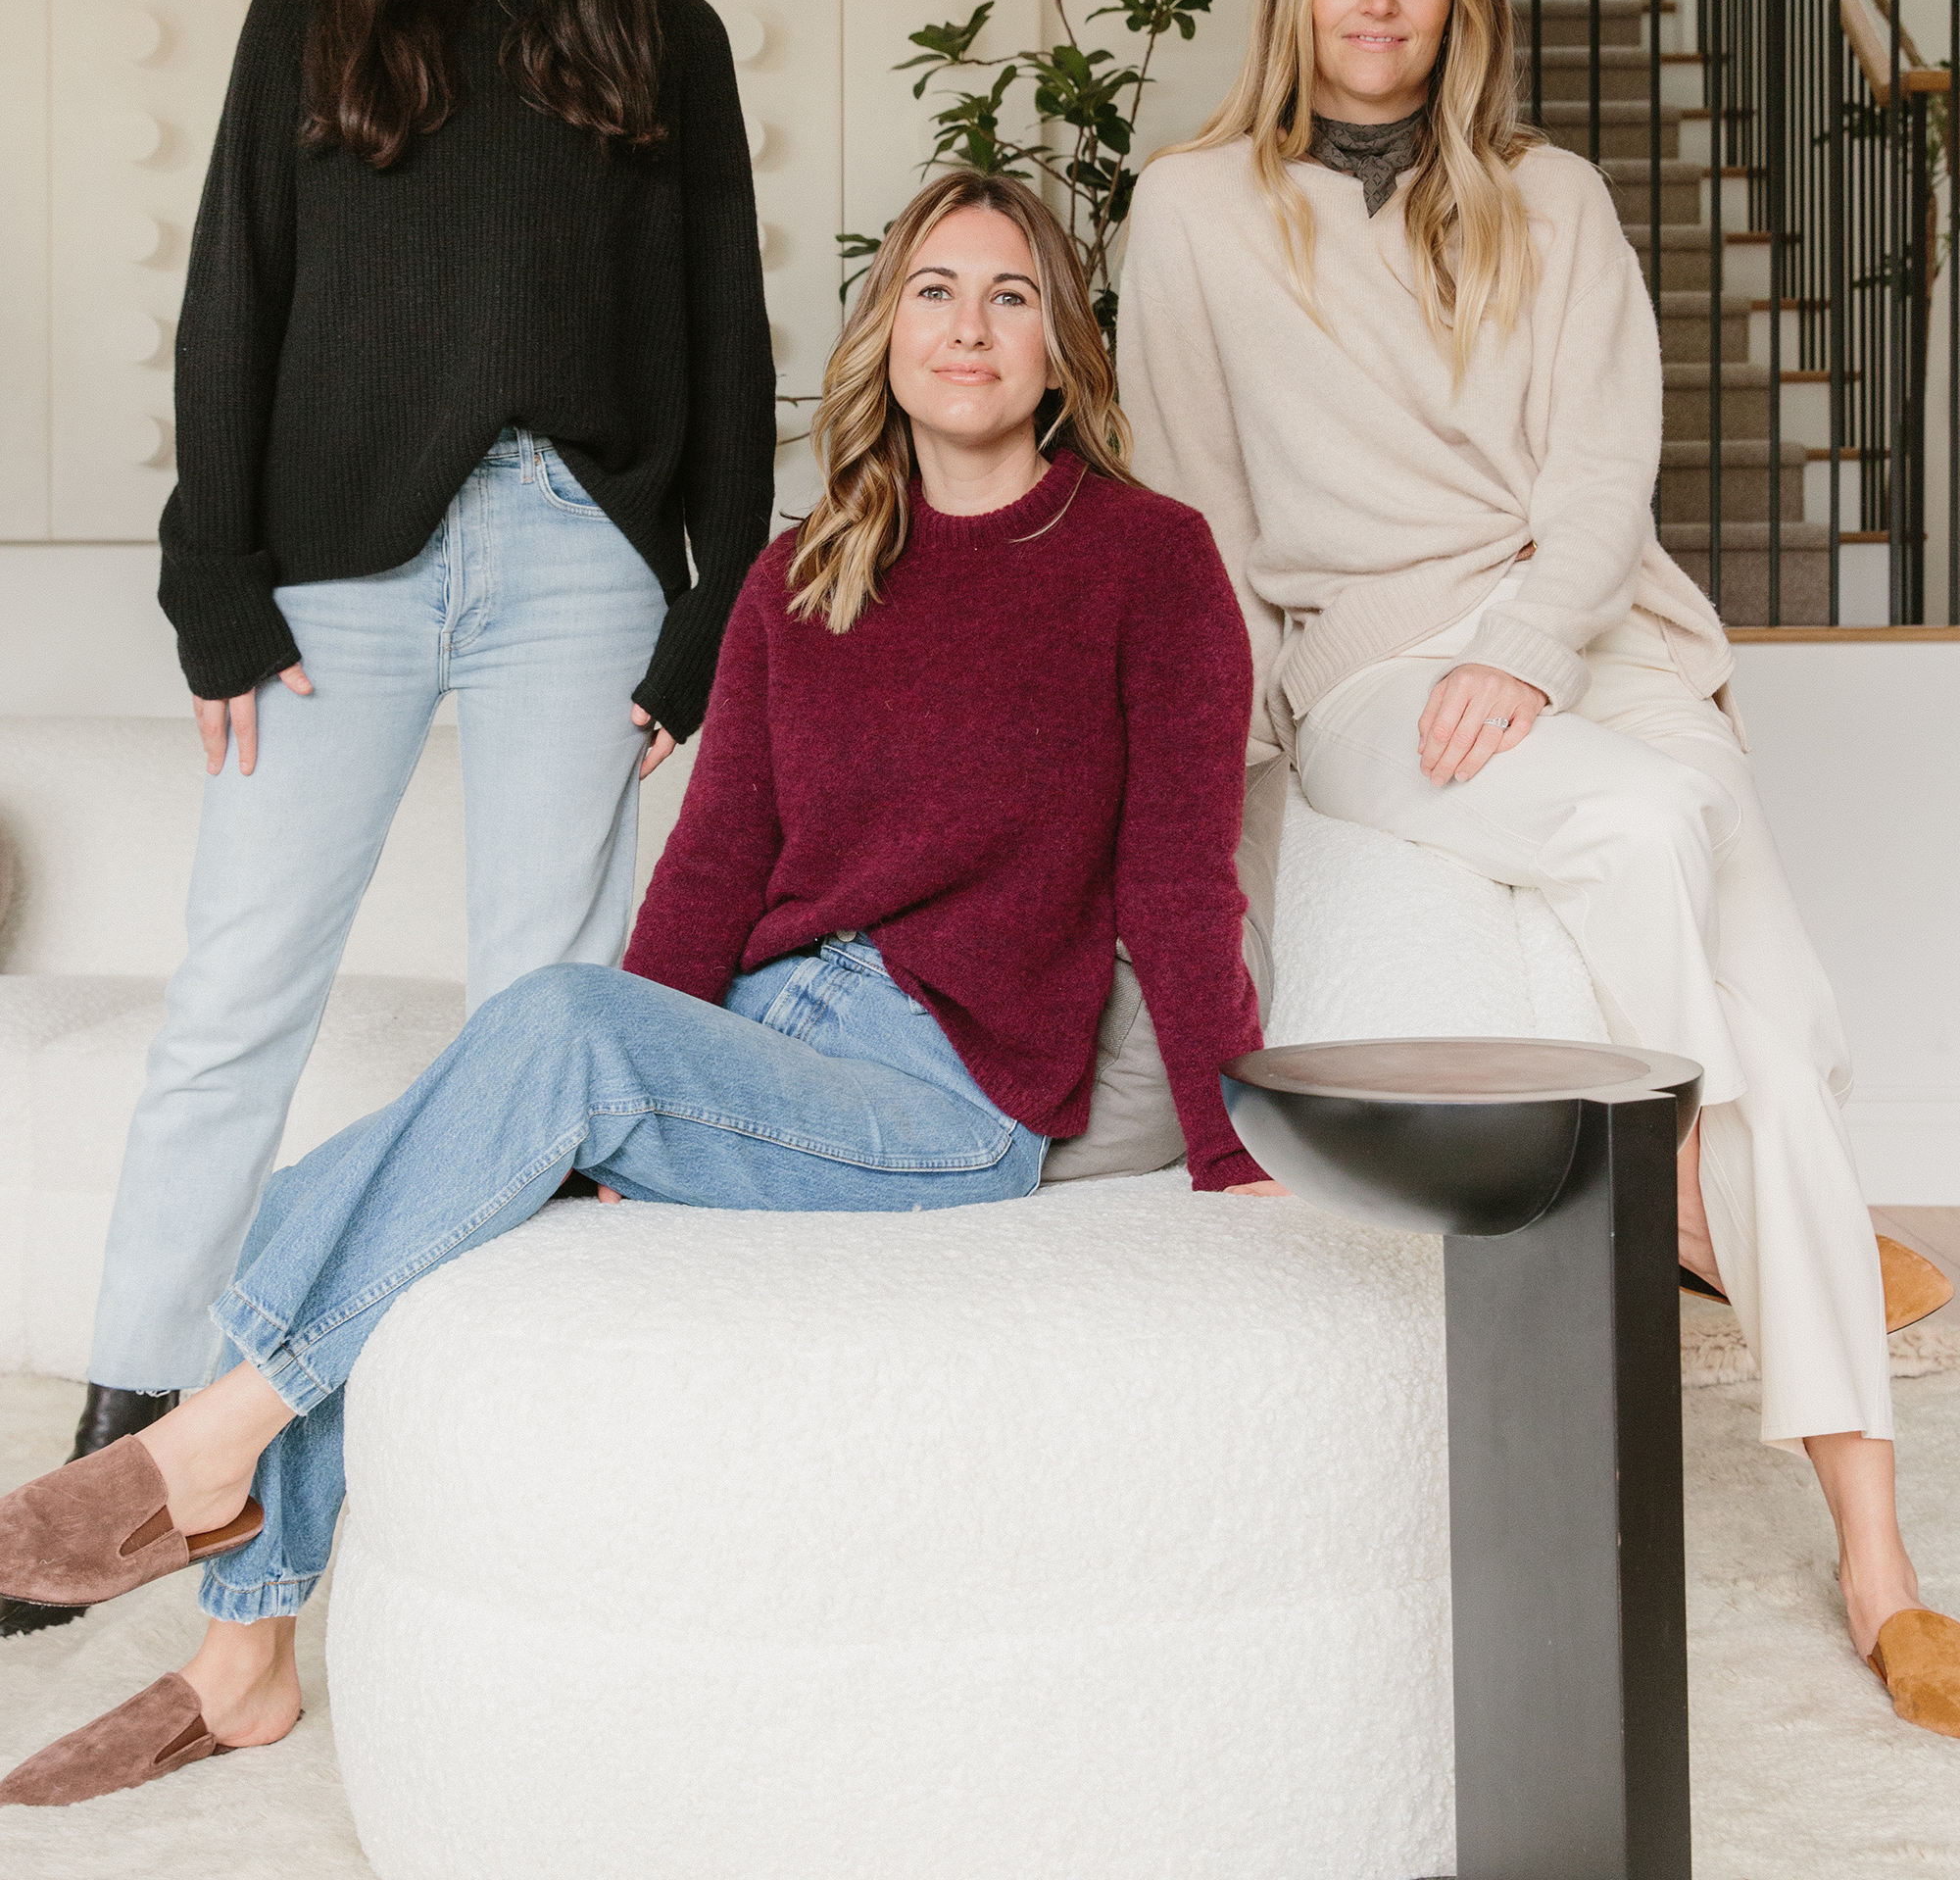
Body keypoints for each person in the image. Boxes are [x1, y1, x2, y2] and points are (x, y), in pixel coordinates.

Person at [0, 170, 1280, 1806]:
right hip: (750, 1053)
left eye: (1014, 295)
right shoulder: (801, 573)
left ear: (1063, 349)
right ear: (886, 331)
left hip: (947, 1100)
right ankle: (244, 1654)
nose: (971, 326)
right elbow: (707, 876)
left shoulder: (1147, 563)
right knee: (339, 1170)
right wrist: (585, 1144)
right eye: (938, 290)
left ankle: (200, 1447)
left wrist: (1237, 1150)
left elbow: (1183, 878)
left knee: (552, 1019)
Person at [1116, 0, 1960, 1741]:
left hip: (1592, 641)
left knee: (1775, 1008)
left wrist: (1529, 642)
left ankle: (1881, 1561)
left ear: (1461, 1)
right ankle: (1691, 1189)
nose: (1379, 1)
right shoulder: (1189, 212)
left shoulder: (1551, 202)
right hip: (1370, 676)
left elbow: (1597, 485)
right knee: (1650, 834)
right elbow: (1194, 513)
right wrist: (1225, 797)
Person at [5, 0, 778, 1643]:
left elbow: (727, 342)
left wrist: (709, 621)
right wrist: (213, 584)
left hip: (581, 563)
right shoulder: (314, 3)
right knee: (233, 999)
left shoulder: (658, 31)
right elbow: (234, 299)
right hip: (343, 561)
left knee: (539, 1016)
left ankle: (453, 1422)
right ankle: (139, 1435)